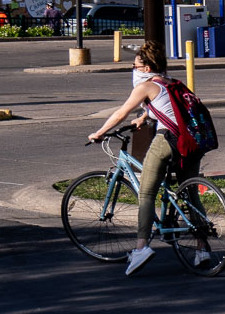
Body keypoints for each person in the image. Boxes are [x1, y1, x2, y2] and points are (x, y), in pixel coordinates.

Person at [87, 42, 208, 276]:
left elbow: (121, 113)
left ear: (146, 67)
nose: (133, 69)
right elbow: (167, 107)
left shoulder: (145, 86)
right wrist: (145, 116)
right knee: (191, 193)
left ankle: (141, 248)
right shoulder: (171, 82)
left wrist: (99, 132)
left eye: (135, 65)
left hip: (168, 141)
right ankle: (202, 249)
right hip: (191, 142)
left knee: (146, 193)